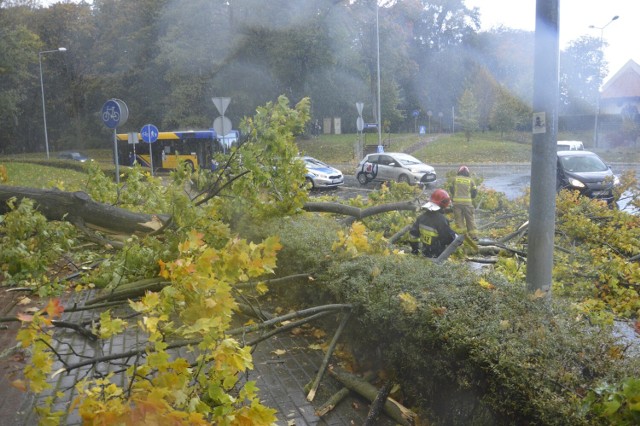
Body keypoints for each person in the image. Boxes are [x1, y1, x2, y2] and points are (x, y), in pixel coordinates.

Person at [408, 189, 457, 258]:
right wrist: (455, 237)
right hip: (438, 256)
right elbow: (448, 238)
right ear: (445, 203)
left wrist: (415, 250)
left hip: (424, 253)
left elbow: (413, 236)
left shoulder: (421, 217)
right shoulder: (441, 220)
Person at [451, 165, 477, 239]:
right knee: (470, 220)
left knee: (459, 221)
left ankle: (461, 237)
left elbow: (451, 190)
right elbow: (474, 193)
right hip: (467, 204)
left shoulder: (455, 179)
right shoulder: (471, 180)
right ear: (467, 172)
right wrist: (469, 197)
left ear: (459, 172)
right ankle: (474, 237)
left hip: (457, 204)